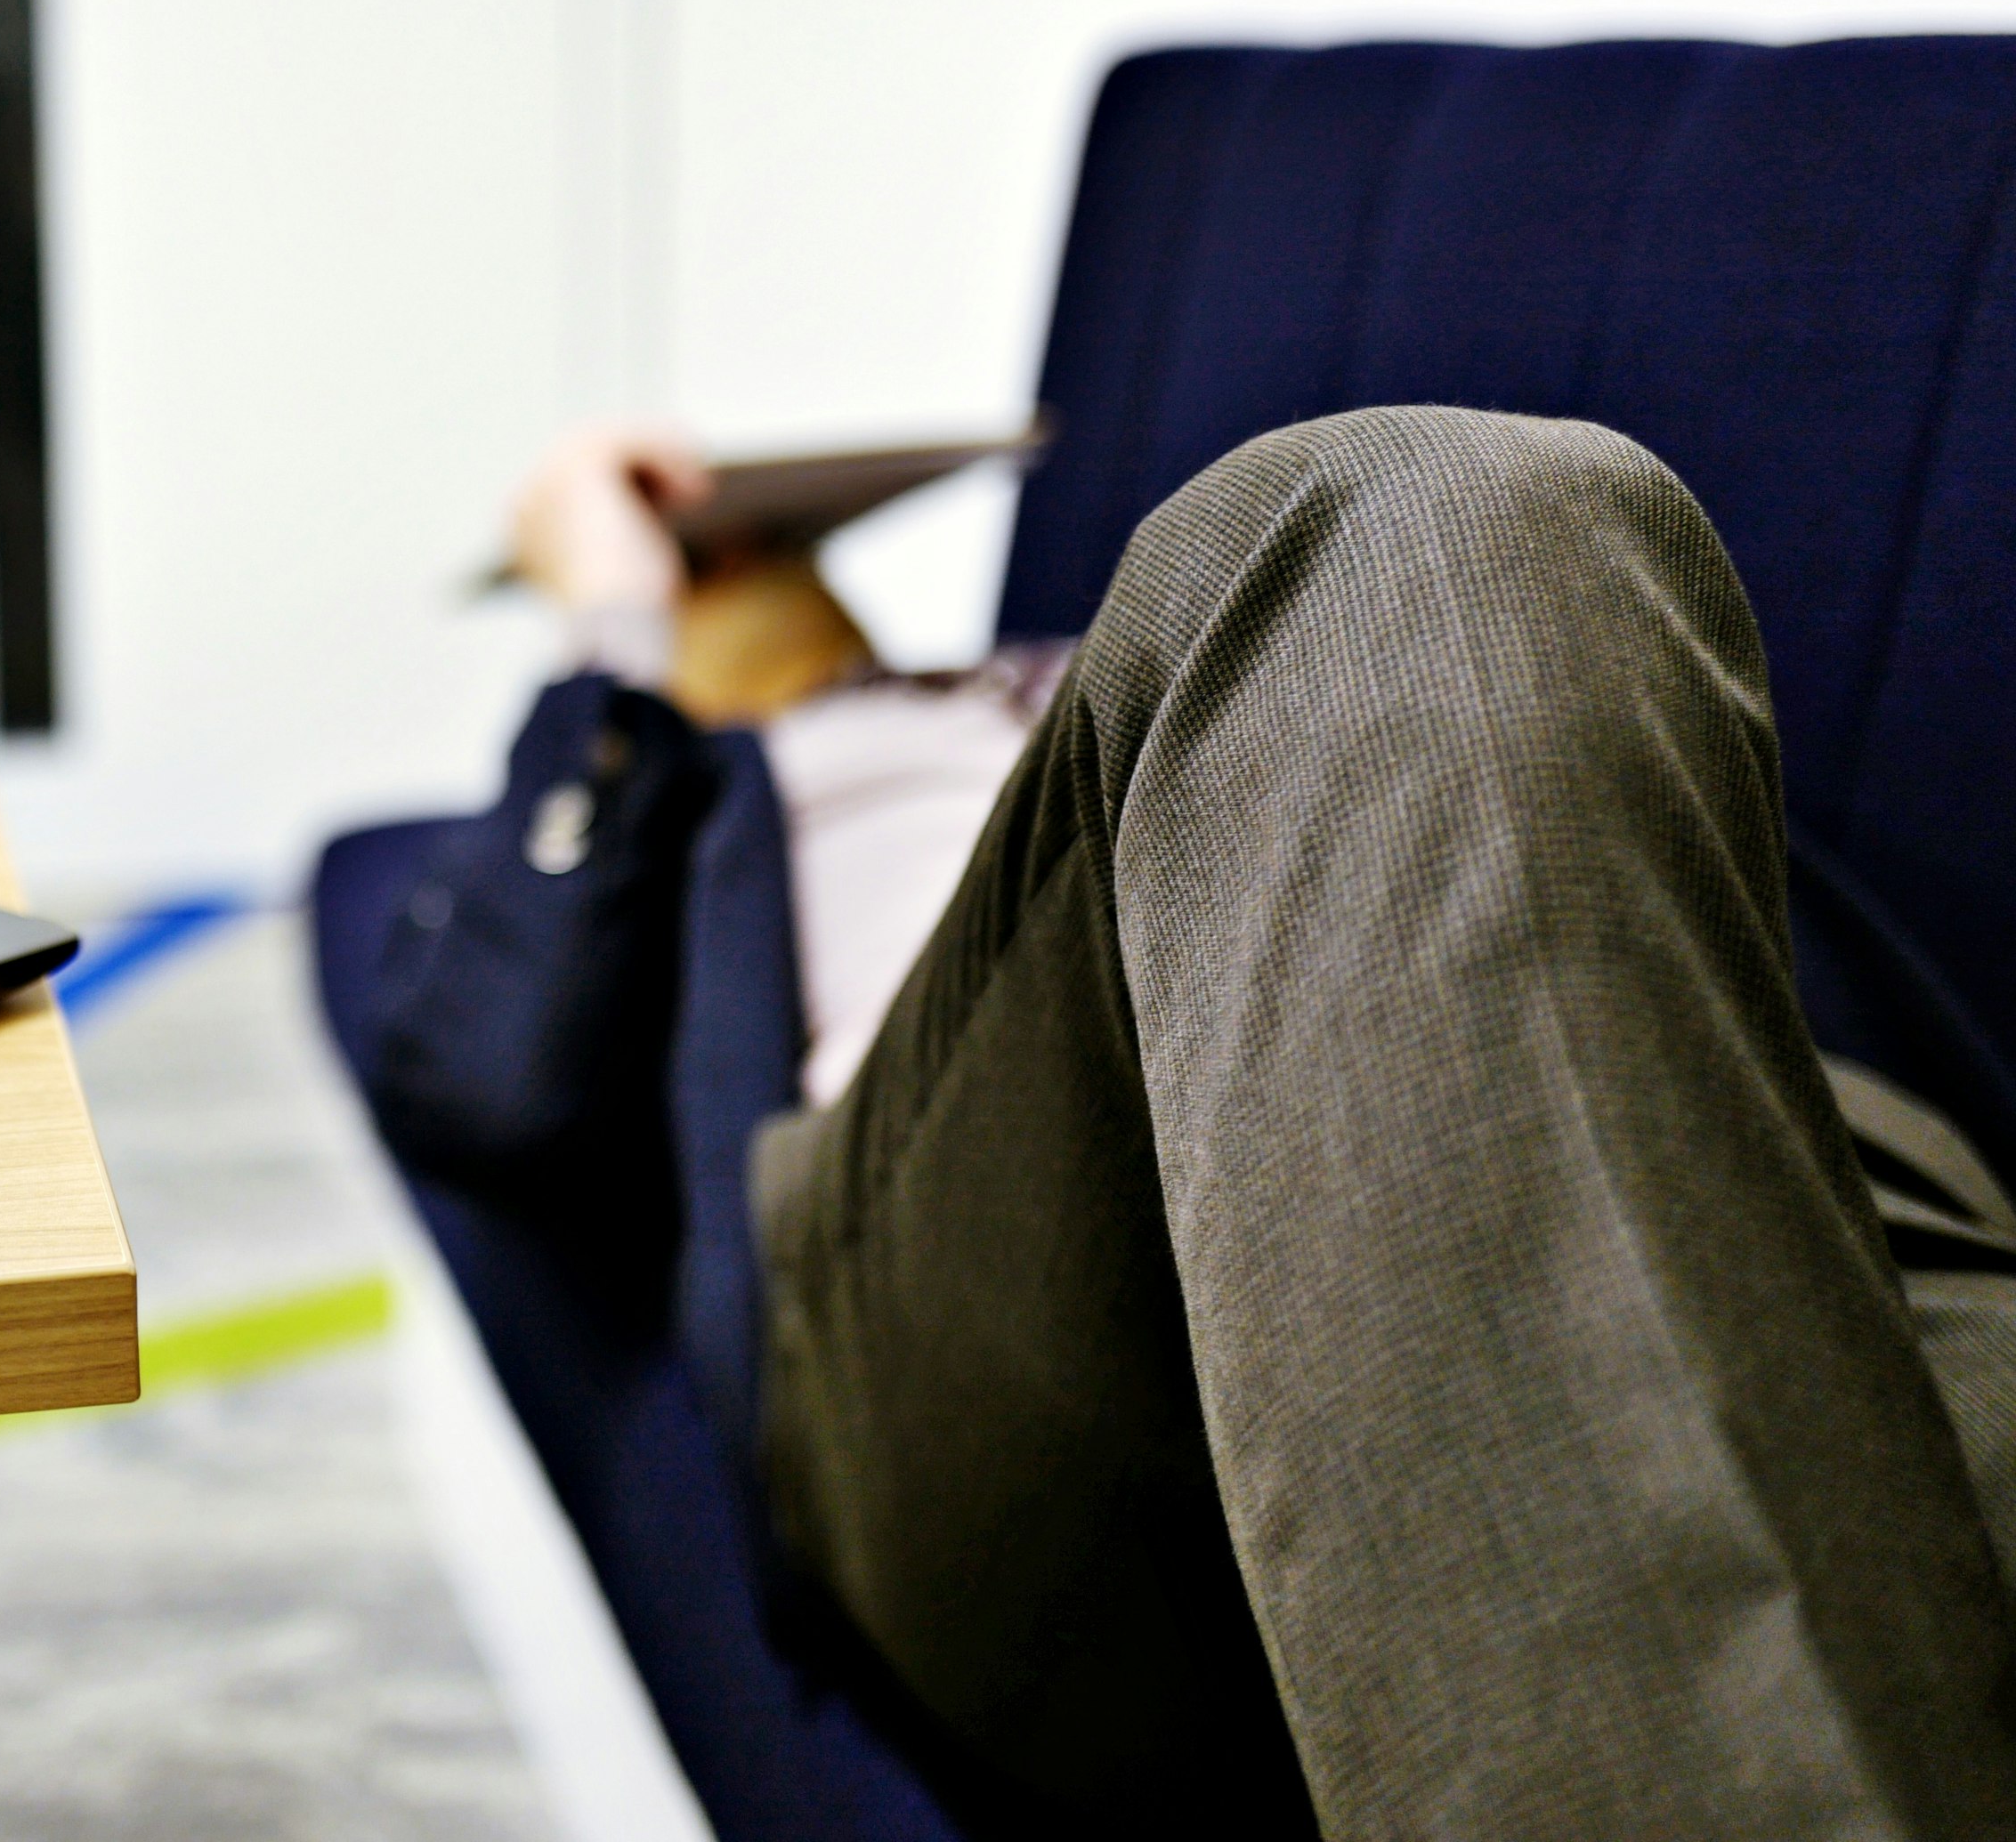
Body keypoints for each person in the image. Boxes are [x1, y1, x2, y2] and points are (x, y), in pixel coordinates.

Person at [345, 407, 2016, 1838]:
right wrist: (615, 642)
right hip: (1000, 1227)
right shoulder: (687, 796)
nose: (738, 582)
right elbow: (488, 1078)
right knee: (1418, 531)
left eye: (738, 554)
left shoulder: (1090, 667)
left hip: (1697, 1084)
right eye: (699, 573)